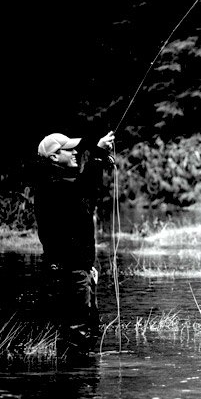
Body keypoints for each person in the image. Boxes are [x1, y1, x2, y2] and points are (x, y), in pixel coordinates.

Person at [34, 130, 115, 356]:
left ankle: (82, 385)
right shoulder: (50, 183)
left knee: (88, 335)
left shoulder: (60, 181)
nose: (75, 153)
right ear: (53, 157)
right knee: (77, 339)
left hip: (77, 269)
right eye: (68, 150)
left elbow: (87, 190)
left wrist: (87, 267)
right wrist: (98, 156)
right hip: (68, 272)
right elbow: (84, 188)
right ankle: (74, 385)